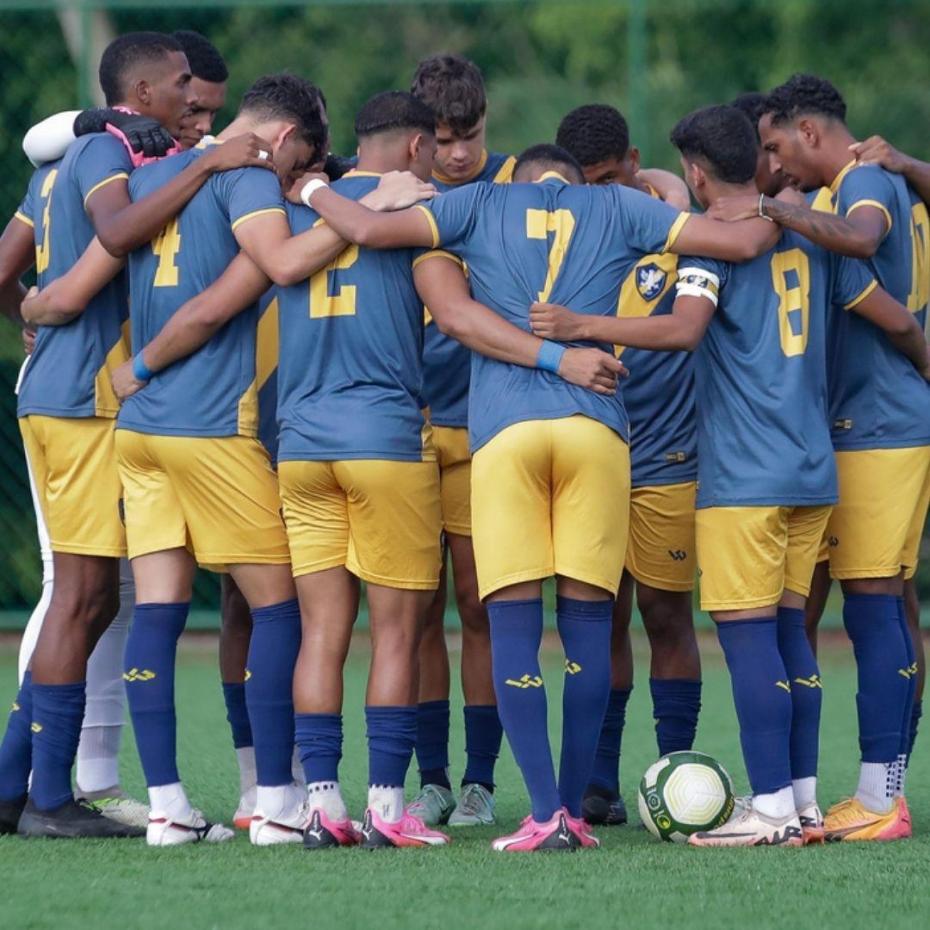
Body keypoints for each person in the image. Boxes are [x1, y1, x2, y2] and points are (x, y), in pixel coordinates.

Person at [299, 138, 782, 850]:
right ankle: (579, 816)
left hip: (506, 433)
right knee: (591, 629)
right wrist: (774, 200)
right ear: (575, 180)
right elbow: (738, 243)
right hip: (596, 428)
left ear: (517, 179)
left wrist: (312, 189)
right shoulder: (618, 204)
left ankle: (543, 814)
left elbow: (366, 230)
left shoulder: (478, 203)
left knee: (514, 629)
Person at [532, 103, 928, 847]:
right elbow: (893, 317)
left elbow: (682, 330)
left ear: (695, 170)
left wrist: (582, 327)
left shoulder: (715, 245)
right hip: (815, 467)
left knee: (748, 638)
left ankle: (771, 806)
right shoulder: (815, 229)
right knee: (793, 637)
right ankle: (805, 803)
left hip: (745, 472)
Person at [0, 31, 208, 840]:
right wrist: (208, 166)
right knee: (83, 597)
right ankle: (50, 799)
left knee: (81, 596)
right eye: (184, 82)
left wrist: (35, 317)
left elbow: (4, 270)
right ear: (148, 89)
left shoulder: (62, 156)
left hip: (50, 390)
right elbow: (118, 234)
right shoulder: (110, 153)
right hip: (85, 400)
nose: (191, 96)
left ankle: (17, 785)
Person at [712, 73, 930, 840]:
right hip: (867, 425)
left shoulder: (858, 181)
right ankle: (880, 789)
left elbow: (869, 248)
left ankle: (880, 800)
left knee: (873, 602)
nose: (773, 165)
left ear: (809, 132)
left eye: (775, 147)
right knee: (883, 602)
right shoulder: (885, 172)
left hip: (881, 423)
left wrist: (771, 206)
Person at [556, 102, 701, 826]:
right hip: (591, 455)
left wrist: (670, 190)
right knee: (599, 621)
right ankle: (598, 783)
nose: (600, 195)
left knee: (666, 614)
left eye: (612, 178)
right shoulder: (562, 239)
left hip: (668, 456)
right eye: (588, 183)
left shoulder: (677, 230)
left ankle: (678, 776)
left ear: (634, 162)